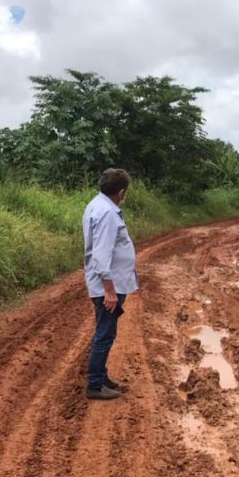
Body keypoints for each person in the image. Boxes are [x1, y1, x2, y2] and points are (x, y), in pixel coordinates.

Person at [82, 168, 138, 400]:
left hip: (107, 282)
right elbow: (101, 254)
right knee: (104, 334)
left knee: (105, 331)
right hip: (108, 285)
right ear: (121, 192)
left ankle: (101, 377)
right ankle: (95, 385)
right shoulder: (107, 213)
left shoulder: (98, 205)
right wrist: (109, 291)